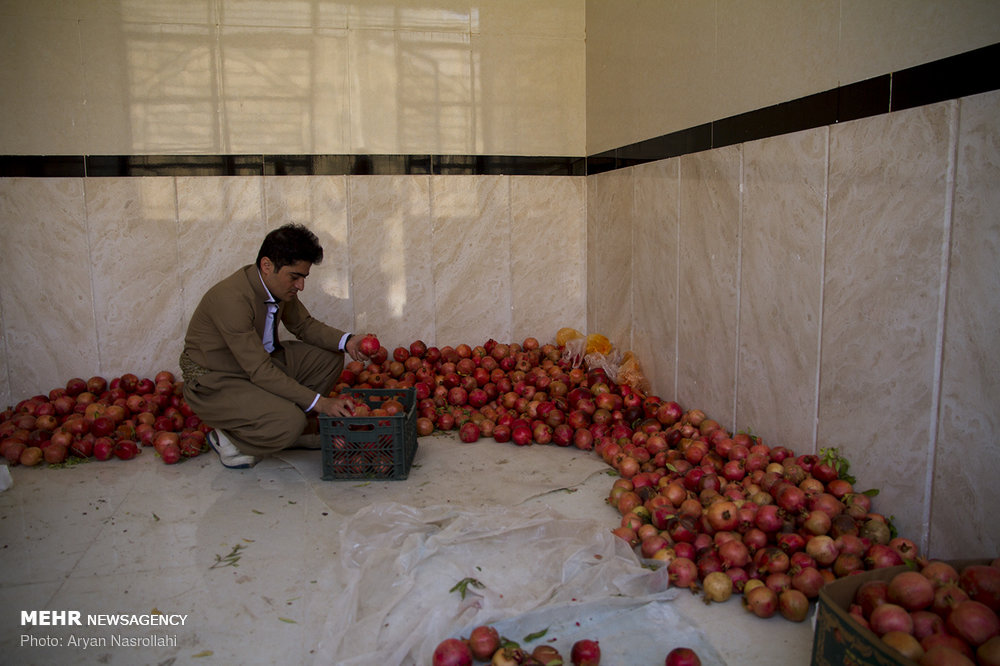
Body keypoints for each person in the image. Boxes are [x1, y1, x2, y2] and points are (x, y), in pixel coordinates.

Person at [179, 223, 370, 469]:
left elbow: (304, 326)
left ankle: (289, 428)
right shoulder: (231, 299)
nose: (300, 285)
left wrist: (349, 341)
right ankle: (230, 439)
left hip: (259, 365)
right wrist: (320, 402)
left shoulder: (277, 287)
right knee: (289, 422)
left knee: (330, 356)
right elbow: (258, 371)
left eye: (304, 277)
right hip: (217, 380)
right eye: (295, 277)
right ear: (267, 266)